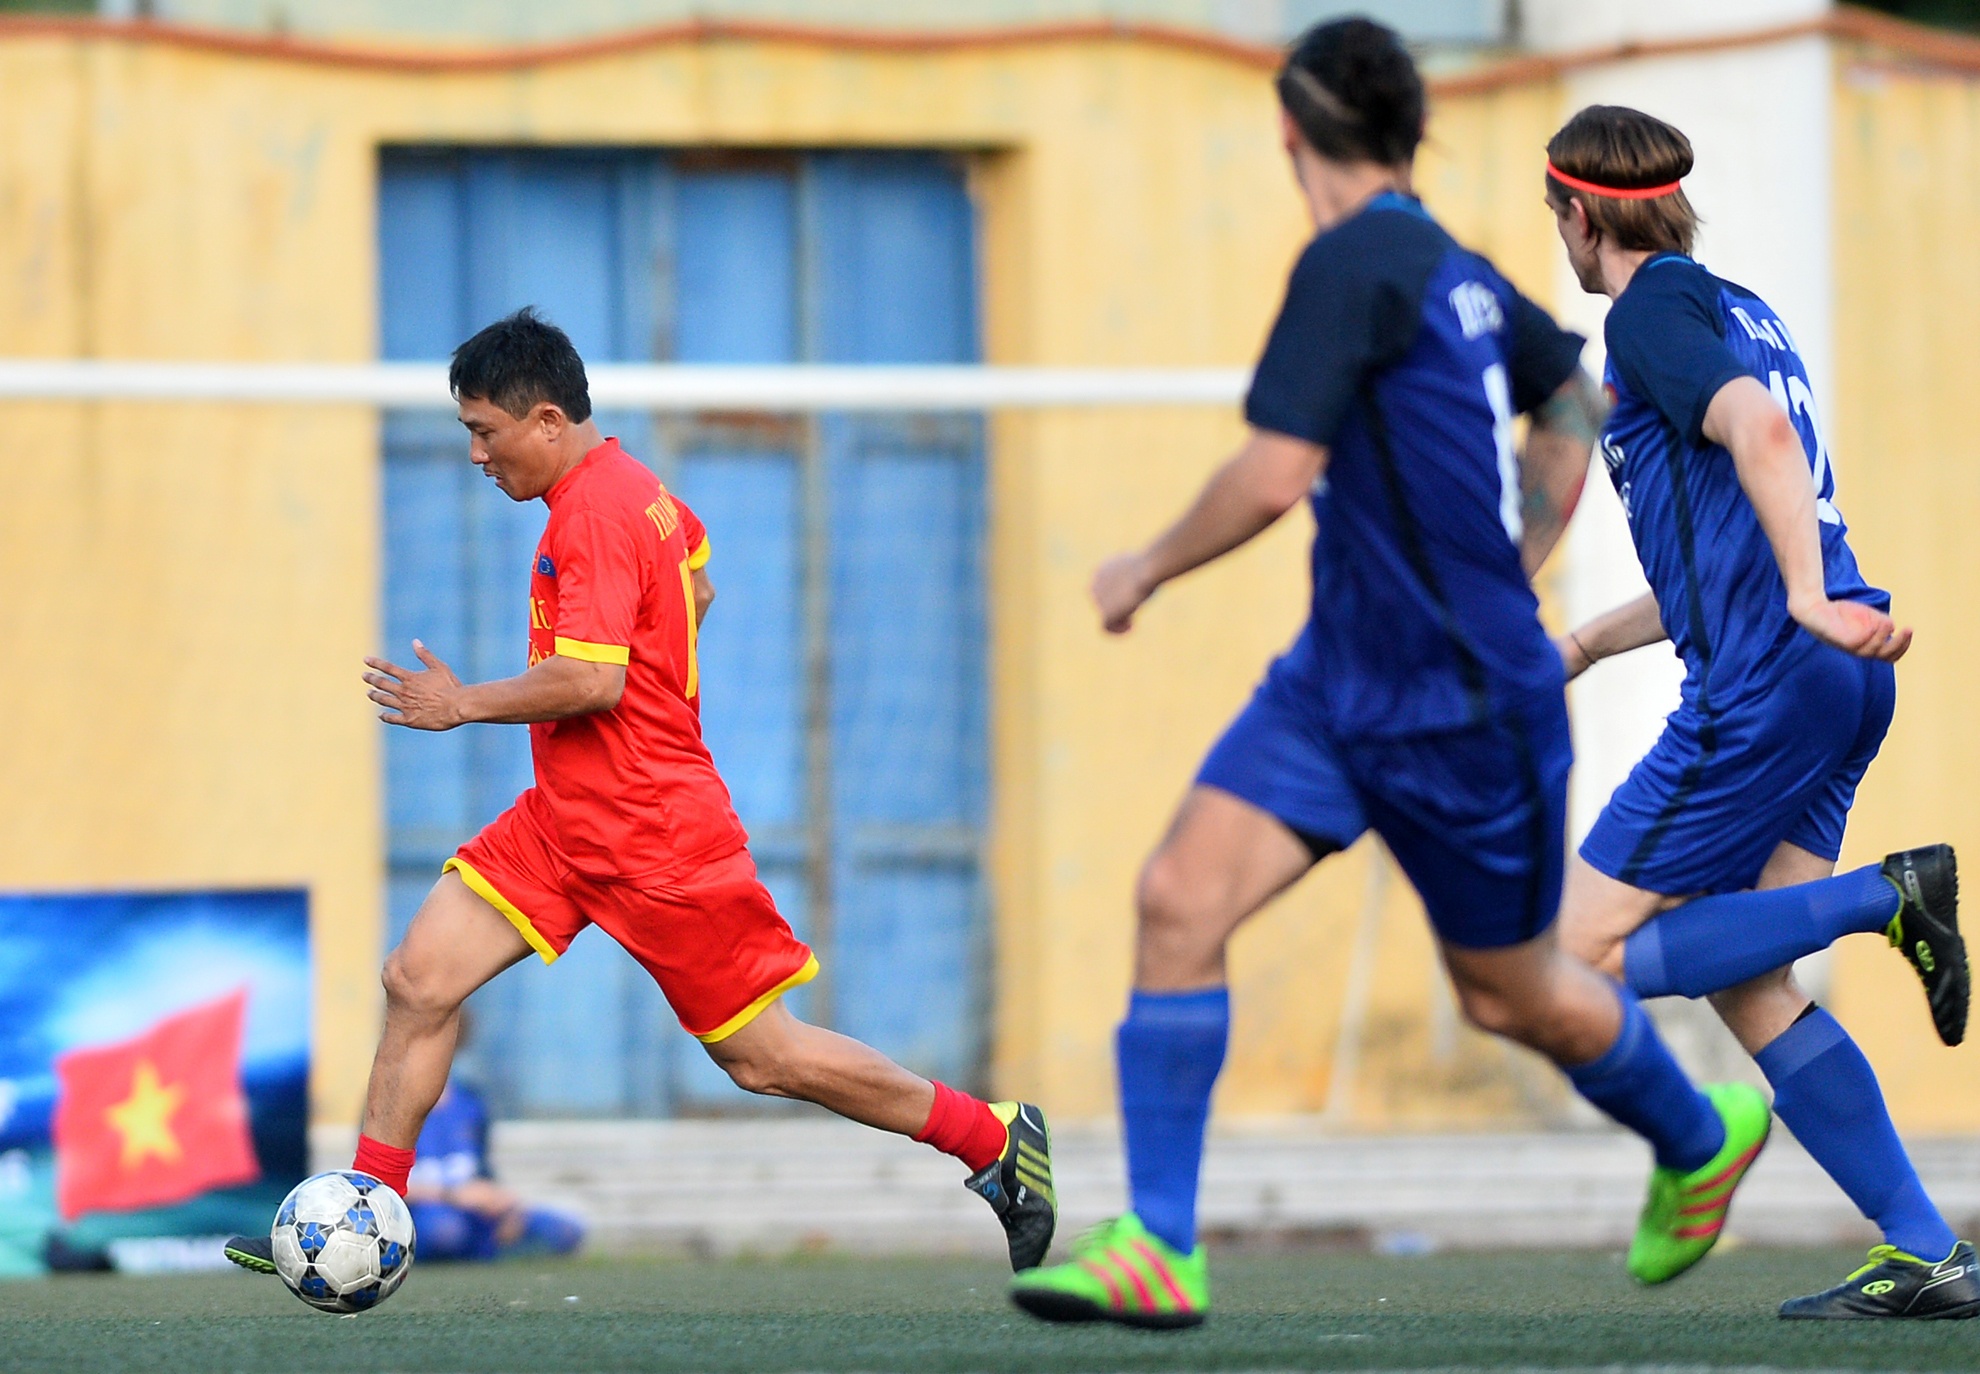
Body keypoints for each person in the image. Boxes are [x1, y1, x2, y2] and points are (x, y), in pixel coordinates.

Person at [1011, 18, 1768, 1330]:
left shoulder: (1356, 261)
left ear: (1291, 133)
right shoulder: (1451, 264)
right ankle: (1160, 1244)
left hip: (1462, 707)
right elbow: (1571, 403)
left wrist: (1141, 568)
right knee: (1178, 897)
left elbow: (1272, 473)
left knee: (1511, 992)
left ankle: (1697, 1129)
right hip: (1335, 683)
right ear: (1407, 131)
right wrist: (1523, 547)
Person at [225, 308, 1053, 1280]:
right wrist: (662, 657)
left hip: (655, 835)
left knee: (765, 1058)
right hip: (566, 820)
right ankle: (366, 1215)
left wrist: (461, 703)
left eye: (484, 433)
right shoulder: (637, 492)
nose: (478, 456)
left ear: (543, 421)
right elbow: (697, 579)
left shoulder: (598, 514)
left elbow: (592, 680)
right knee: (418, 981)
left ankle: (994, 1142)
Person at [1542, 105, 1976, 1320]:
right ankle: (1926, 1247)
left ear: (1581, 214)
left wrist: (1795, 601)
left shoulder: (1648, 314)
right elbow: (1717, 530)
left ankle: (1885, 898)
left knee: (1572, 959)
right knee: (1754, 972)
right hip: (1837, 672)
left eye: (1554, 221)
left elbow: (1762, 434)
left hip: (1773, 680)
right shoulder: (1737, 306)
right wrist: (1580, 642)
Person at [402, 1078, 584, 1263]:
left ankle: (494, 1252)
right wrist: (452, 1194)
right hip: (426, 1213)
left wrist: (505, 1204)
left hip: (477, 1214)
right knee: (445, 1233)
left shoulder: (470, 1101)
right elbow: (381, 1184)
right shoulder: (388, 1104)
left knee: (567, 1231)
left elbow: (483, 1171)